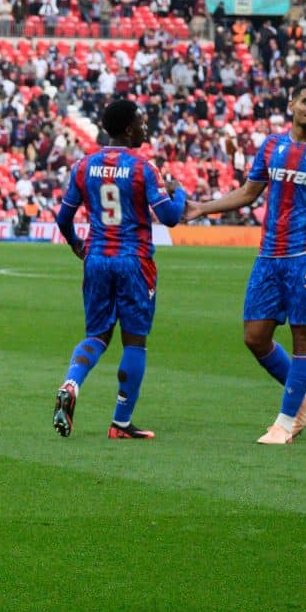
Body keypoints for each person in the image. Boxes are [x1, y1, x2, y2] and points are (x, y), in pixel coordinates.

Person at [181, 83, 306, 445]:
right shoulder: (272, 146)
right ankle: (305, 394)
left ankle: (285, 424)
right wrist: (201, 208)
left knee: (303, 338)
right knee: (254, 337)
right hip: (268, 257)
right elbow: (248, 192)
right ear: (292, 105)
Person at [51, 99, 186, 440]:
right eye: (141, 122)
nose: (145, 127)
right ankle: (121, 422)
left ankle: (71, 383)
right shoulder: (143, 168)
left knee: (97, 335)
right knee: (134, 341)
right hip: (134, 261)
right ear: (128, 129)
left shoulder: (83, 166)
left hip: (97, 258)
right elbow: (170, 216)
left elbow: (63, 218)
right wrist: (180, 193)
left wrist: (76, 244)